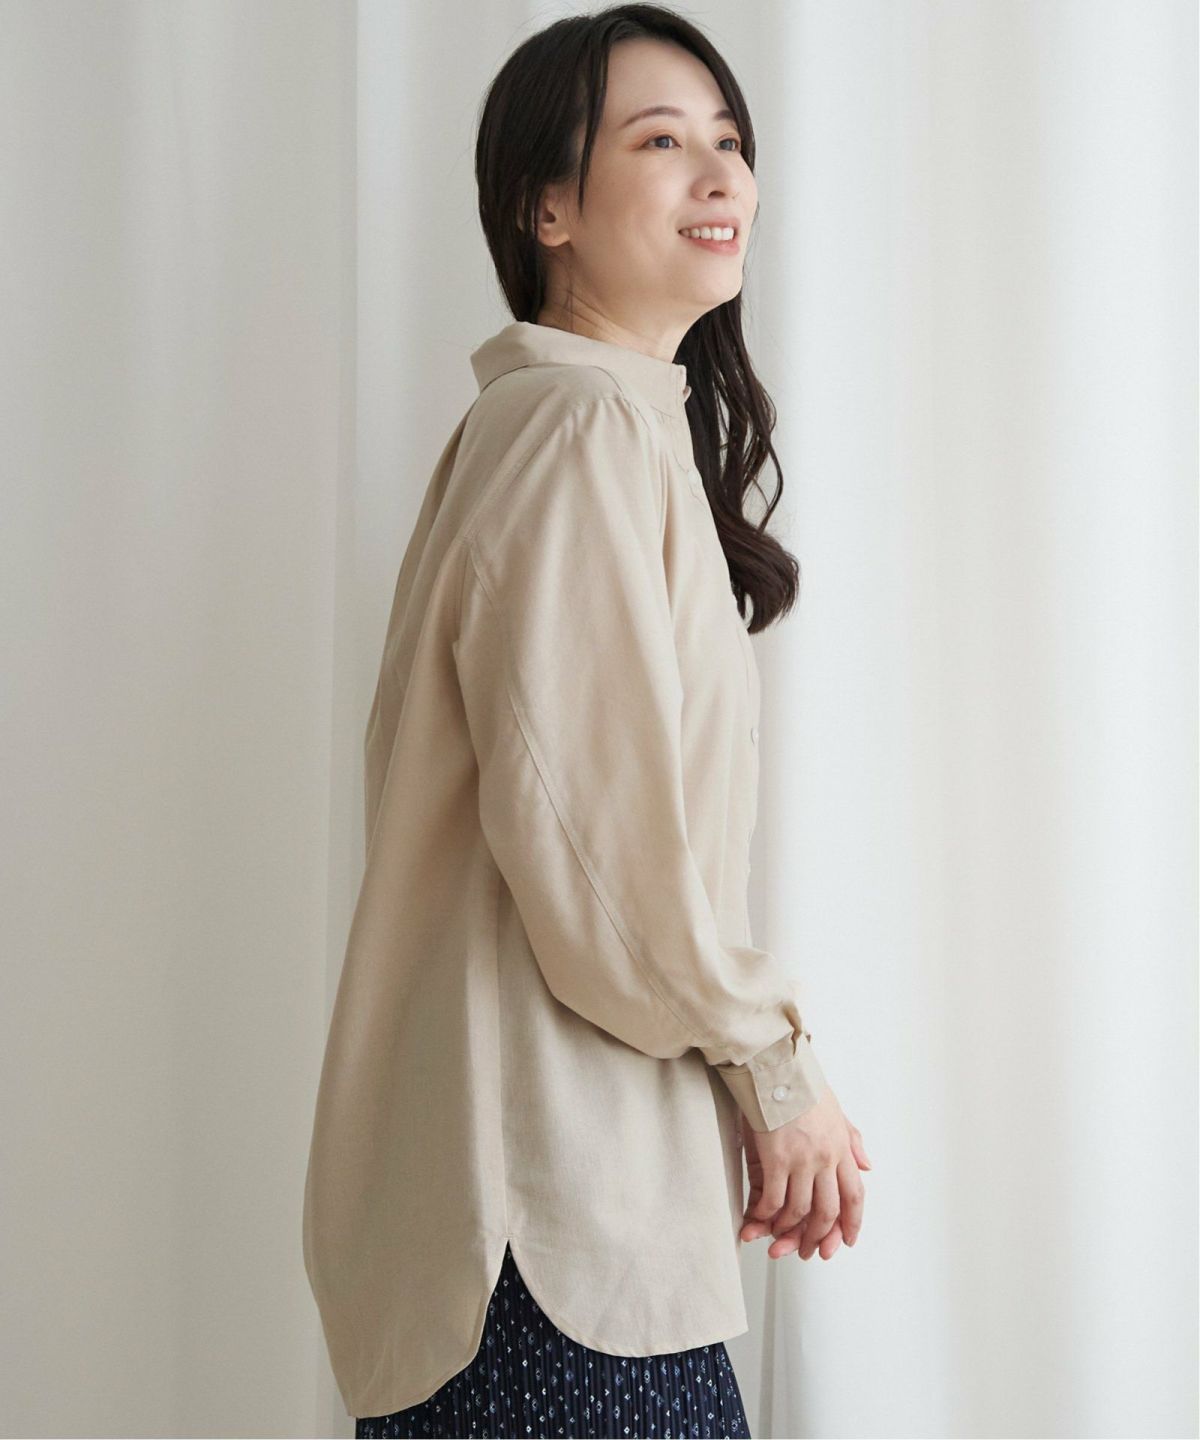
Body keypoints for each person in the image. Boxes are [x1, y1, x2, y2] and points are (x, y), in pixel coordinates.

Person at [302, 6, 871, 1437]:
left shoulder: (589, 427)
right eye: (662, 142)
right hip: (551, 1244)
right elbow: (601, 868)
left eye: (730, 141)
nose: (721, 176)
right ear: (544, 207)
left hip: (548, 1233)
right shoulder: (581, 432)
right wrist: (777, 1067)